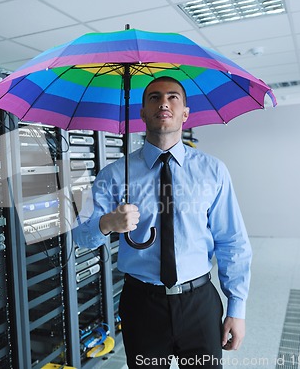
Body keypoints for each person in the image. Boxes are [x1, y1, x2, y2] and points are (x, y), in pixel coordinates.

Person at [72, 76, 252, 368]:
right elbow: (80, 235)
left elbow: (232, 241)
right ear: (142, 113)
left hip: (199, 302)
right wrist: (107, 223)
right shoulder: (114, 175)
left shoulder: (212, 171)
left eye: (172, 97)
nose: (164, 103)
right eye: (154, 98)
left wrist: (237, 309)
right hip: (142, 305)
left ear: (185, 113)